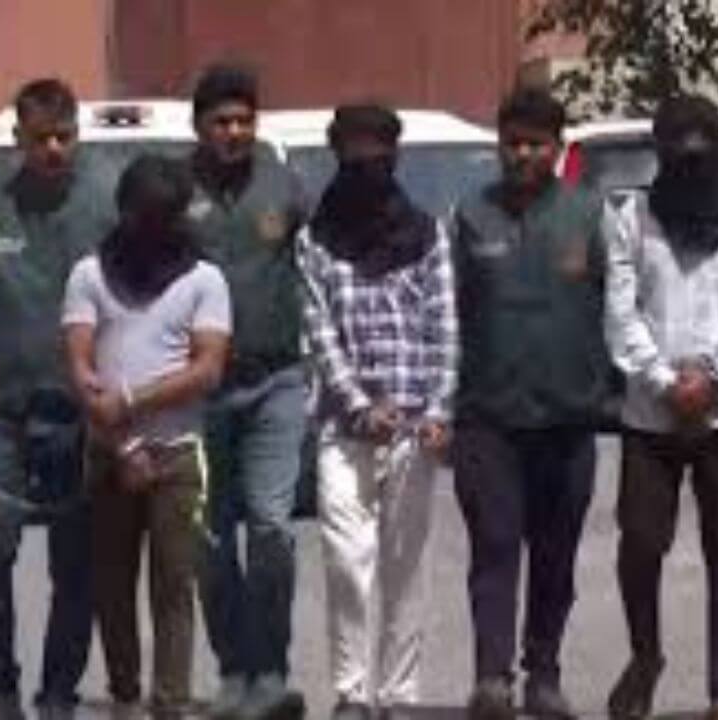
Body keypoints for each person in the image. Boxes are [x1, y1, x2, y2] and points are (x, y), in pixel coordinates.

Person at [0, 77, 117, 719]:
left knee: (76, 567)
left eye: (64, 137)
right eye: (41, 138)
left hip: (79, 415)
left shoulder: (104, 205)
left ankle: (58, 693)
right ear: (18, 138)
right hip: (0, 411)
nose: (53, 149)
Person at [450, 87, 612, 720]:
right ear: (499, 145)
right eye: (512, 143)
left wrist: (613, 393)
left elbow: (620, 307)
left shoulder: (591, 215)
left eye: (535, 144)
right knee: (494, 547)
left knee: (555, 555)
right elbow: (448, 315)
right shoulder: (470, 214)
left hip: (568, 417)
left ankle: (544, 675)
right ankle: (491, 678)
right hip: (487, 417)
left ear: (557, 148)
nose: (522, 154)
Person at [299, 104, 457, 720]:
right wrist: (362, 406)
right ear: (337, 156)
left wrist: (438, 408)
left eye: (379, 158)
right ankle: (351, 692)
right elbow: (320, 332)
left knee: (404, 565)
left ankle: (396, 694)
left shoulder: (428, 236)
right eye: (355, 158)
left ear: (395, 158)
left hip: (415, 427)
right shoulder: (314, 240)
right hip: (344, 427)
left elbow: (443, 327)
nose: (368, 169)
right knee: (345, 559)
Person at [62, 154, 231, 717]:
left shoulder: (204, 280)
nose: (154, 227)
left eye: (165, 216)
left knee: (174, 583)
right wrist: (123, 442)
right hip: (110, 453)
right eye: (144, 215)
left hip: (178, 455)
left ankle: (171, 701)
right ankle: (125, 694)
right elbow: (81, 368)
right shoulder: (89, 275)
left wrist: (132, 401)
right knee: (112, 583)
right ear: (124, 212)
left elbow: (207, 370)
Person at [603, 94, 718, 720]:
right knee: (640, 544)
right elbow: (620, 311)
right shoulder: (631, 218)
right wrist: (663, 381)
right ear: (659, 151)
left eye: (702, 144)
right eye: (678, 145)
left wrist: (714, 377)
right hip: (650, 414)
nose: (691, 155)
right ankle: (645, 654)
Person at [186, 63, 309, 719]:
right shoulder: (176, 188)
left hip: (275, 384)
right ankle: (233, 670)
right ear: (199, 126)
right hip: (198, 392)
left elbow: (320, 267)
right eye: (221, 121)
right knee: (210, 540)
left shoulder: (285, 183)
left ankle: (272, 670)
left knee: (270, 530)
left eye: (243, 120)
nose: (234, 132)